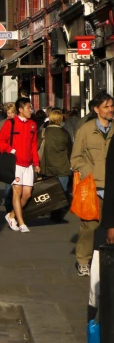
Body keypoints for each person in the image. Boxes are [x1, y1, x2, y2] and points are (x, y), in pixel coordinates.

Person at [70, 92, 114, 276]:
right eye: (106, 106)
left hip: (111, 185)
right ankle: (83, 260)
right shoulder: (85, 130)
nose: (110, 110)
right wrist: (91, 172)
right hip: (93, 186)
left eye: (112, 106)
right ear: (96, 109)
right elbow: (75, 159)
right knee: (89, 226)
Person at [0, 96, 40, 233]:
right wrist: (11, 150)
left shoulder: (33, 124)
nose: (31, 110)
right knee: (18, 192)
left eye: (30, 107)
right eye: (28, 107)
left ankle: (11, 216)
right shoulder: (10, 123)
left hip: (28, 164)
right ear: (20, 110)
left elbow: (34, 145)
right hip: (15, 163)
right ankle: (21, 223)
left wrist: (36, 162)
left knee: (27, 194)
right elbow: (0, 140)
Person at [40, 108, 72, 195]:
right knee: (62, 193)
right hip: (63, 167)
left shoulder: (43, 132)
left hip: (47, 167)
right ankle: (61, 208)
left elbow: (36, 147)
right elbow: (70, 149)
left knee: (49, 194)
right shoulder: (64, 133)